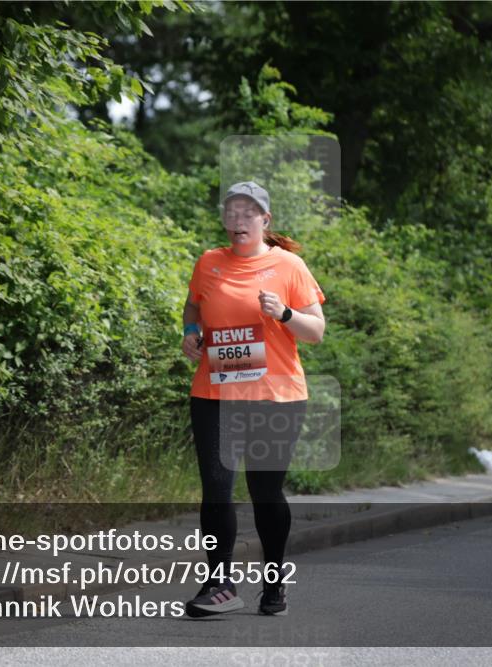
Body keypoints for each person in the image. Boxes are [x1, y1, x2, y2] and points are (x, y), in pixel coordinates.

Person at [181, 181, 326, 617]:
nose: (239, 220)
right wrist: (191, 334)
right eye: (232, 212)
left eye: (249, 212)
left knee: (266, 492)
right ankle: (219, 583)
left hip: (274, 396)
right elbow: (193, 307)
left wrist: (283, 313)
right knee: (217, 491)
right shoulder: (209, 263)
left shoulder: (289, 266)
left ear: (266, 220)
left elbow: (316, 331)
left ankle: (274, 581)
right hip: (214, 393)